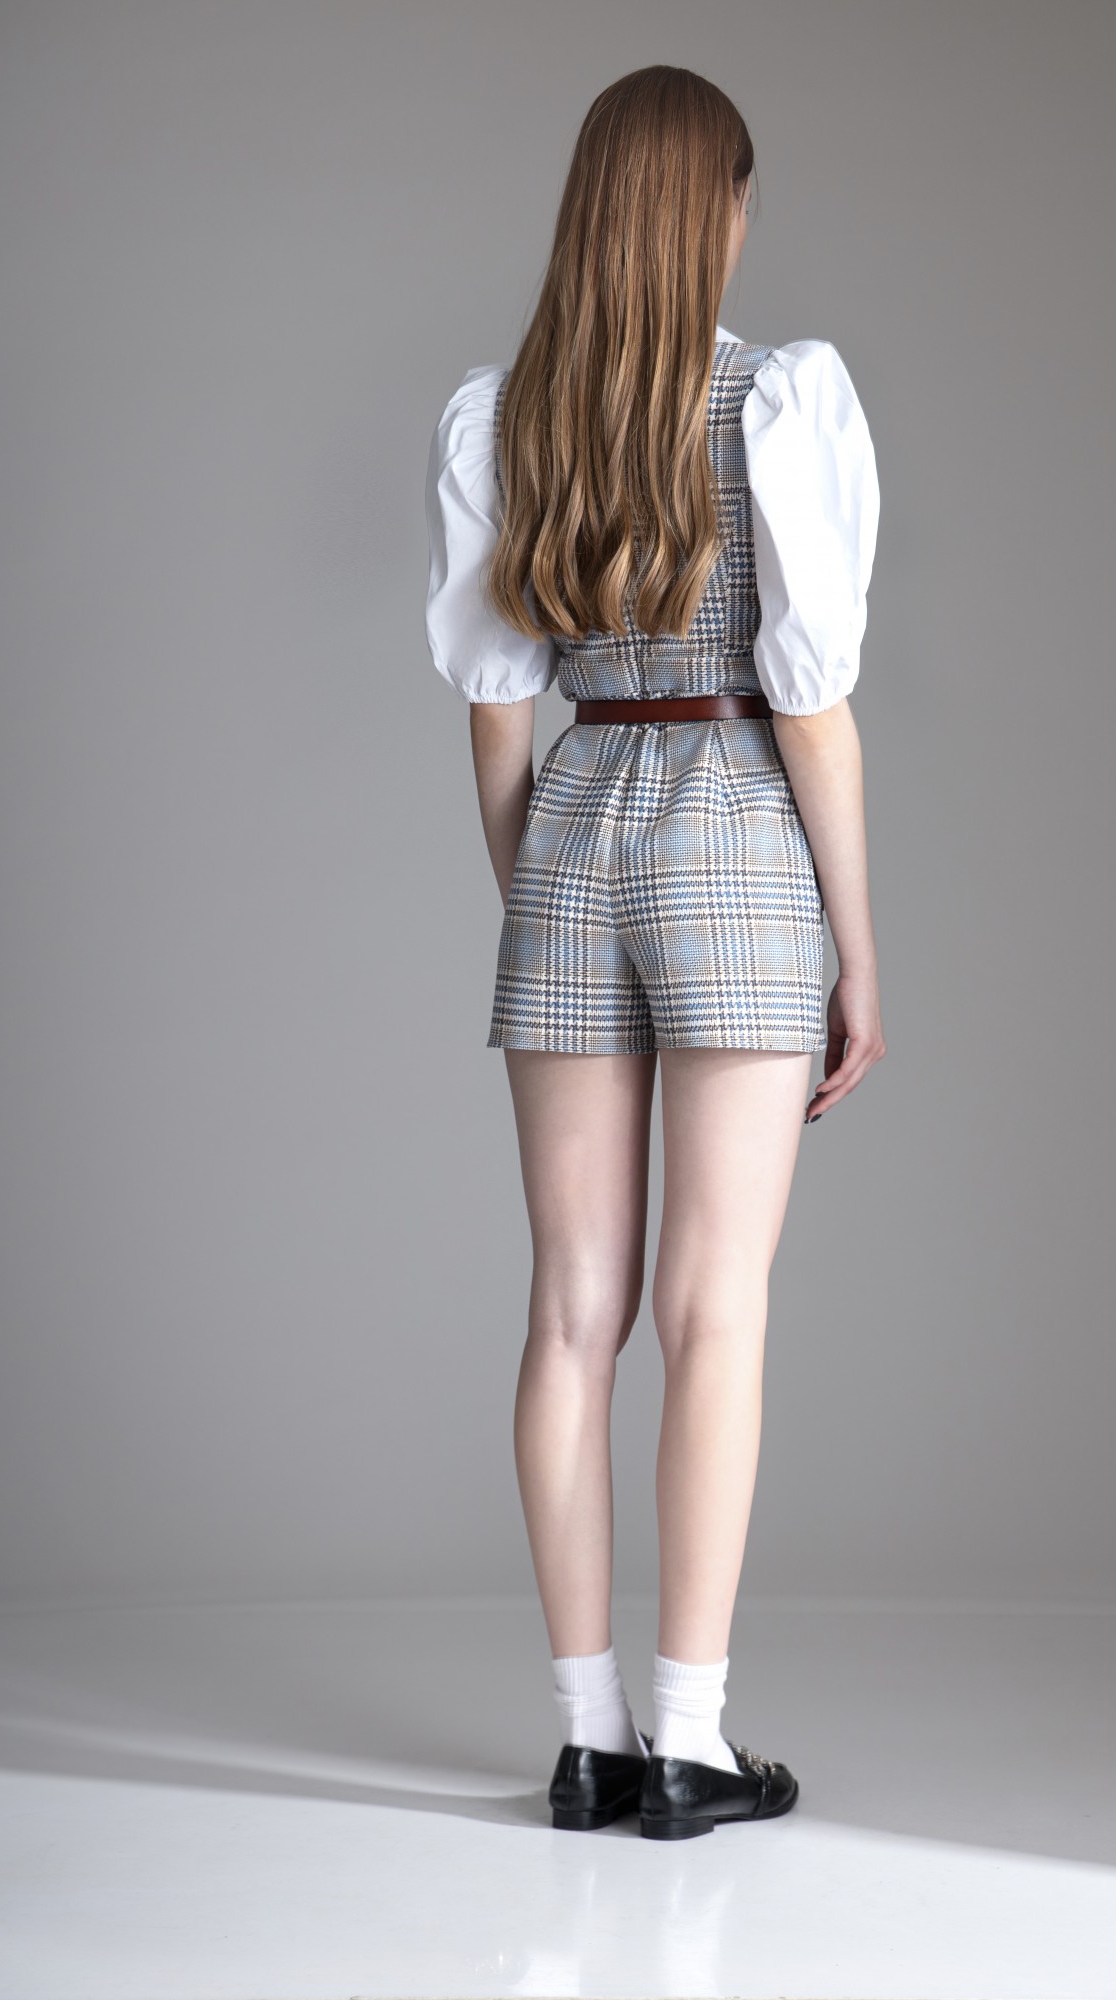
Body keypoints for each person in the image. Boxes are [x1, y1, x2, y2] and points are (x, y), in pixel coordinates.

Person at [423, 64, 884, 1840]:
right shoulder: (779, 400)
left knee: (569, 1310)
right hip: (736, 827)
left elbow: (493, 712)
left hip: (572, 825)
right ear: (723, 209)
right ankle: (689, 1743)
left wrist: (536, 893)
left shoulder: (503, 419)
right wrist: (857, 948)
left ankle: (586, 1739)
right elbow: (812, 705)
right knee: (714, 1306)